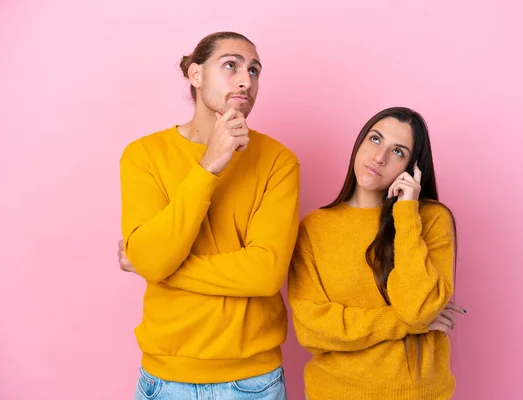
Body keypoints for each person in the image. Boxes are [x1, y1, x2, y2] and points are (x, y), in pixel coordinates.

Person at [117, 31, 299, 400]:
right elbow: (152, 258)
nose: (246, 80)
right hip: (164, 380)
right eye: (231, 65)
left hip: (255, 382)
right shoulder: (143, 156)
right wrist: (209, 166)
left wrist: (161, 267)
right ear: (195, 75)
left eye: (254, 70)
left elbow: (265, 273)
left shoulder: (279, 161)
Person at [287, 107, 466, 400]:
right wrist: (406, 324)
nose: (379, 158)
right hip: (335, 393)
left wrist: (407, 213)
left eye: (398, 152)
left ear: (412, 168)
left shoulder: (430, 219)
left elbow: (417, 307)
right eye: (375, 139)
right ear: (359, 143)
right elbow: (313, 330)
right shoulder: (314, 228)